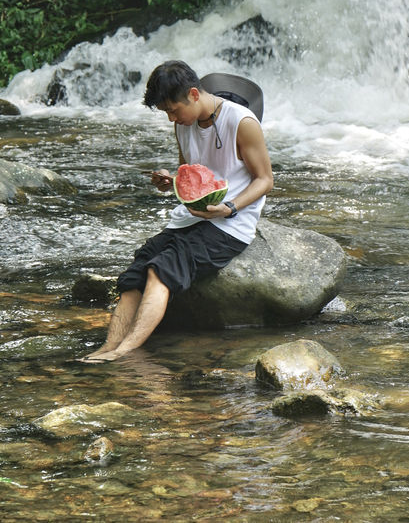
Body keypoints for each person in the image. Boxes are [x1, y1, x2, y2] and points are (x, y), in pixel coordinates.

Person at [82, 60, 273, 363]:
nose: (172, 117)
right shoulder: (182, 125)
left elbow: (265, 179)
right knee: (136, 273)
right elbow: (194, 173)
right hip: (190, 218)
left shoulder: (242, 122)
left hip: (229, 224)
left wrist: (230, 207)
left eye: (173, 110)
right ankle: (108, 346)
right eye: (166, 112)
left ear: (194, 94)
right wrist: (170, 180)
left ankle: (125, 351)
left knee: (161, 271)